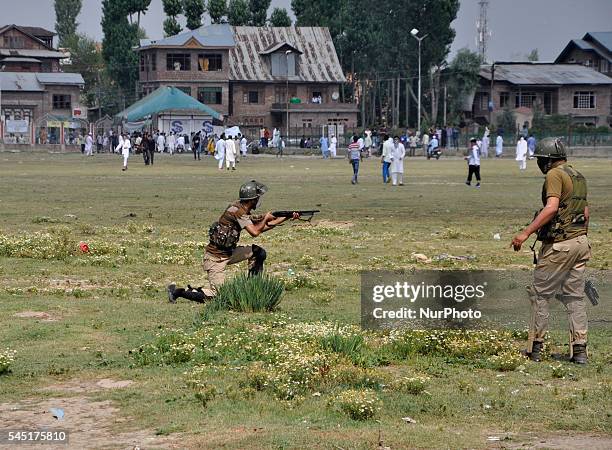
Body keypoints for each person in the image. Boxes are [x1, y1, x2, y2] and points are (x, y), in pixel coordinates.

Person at [511, 138, 590, 364]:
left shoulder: (555, 174)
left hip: (560, 245)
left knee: (540, 294)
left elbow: (552, 207)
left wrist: (525, 233)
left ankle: (535, 349)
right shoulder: (578, 175)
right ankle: (580, 351)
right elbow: (585, 213)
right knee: (574, 297)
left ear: (547, 160)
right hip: (580, 242)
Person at [167, 181, 300, 302]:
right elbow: (255, 232)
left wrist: (285, 217)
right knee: (218, 297)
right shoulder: (238, 212)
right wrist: (266, 218)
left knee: (258, 253)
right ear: (252, 199)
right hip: (215, 258)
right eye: (257, 198)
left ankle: (252, 289)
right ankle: (178, 292)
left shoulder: (241, 208)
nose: (258, 200)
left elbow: (261, 225)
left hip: (229, 253)